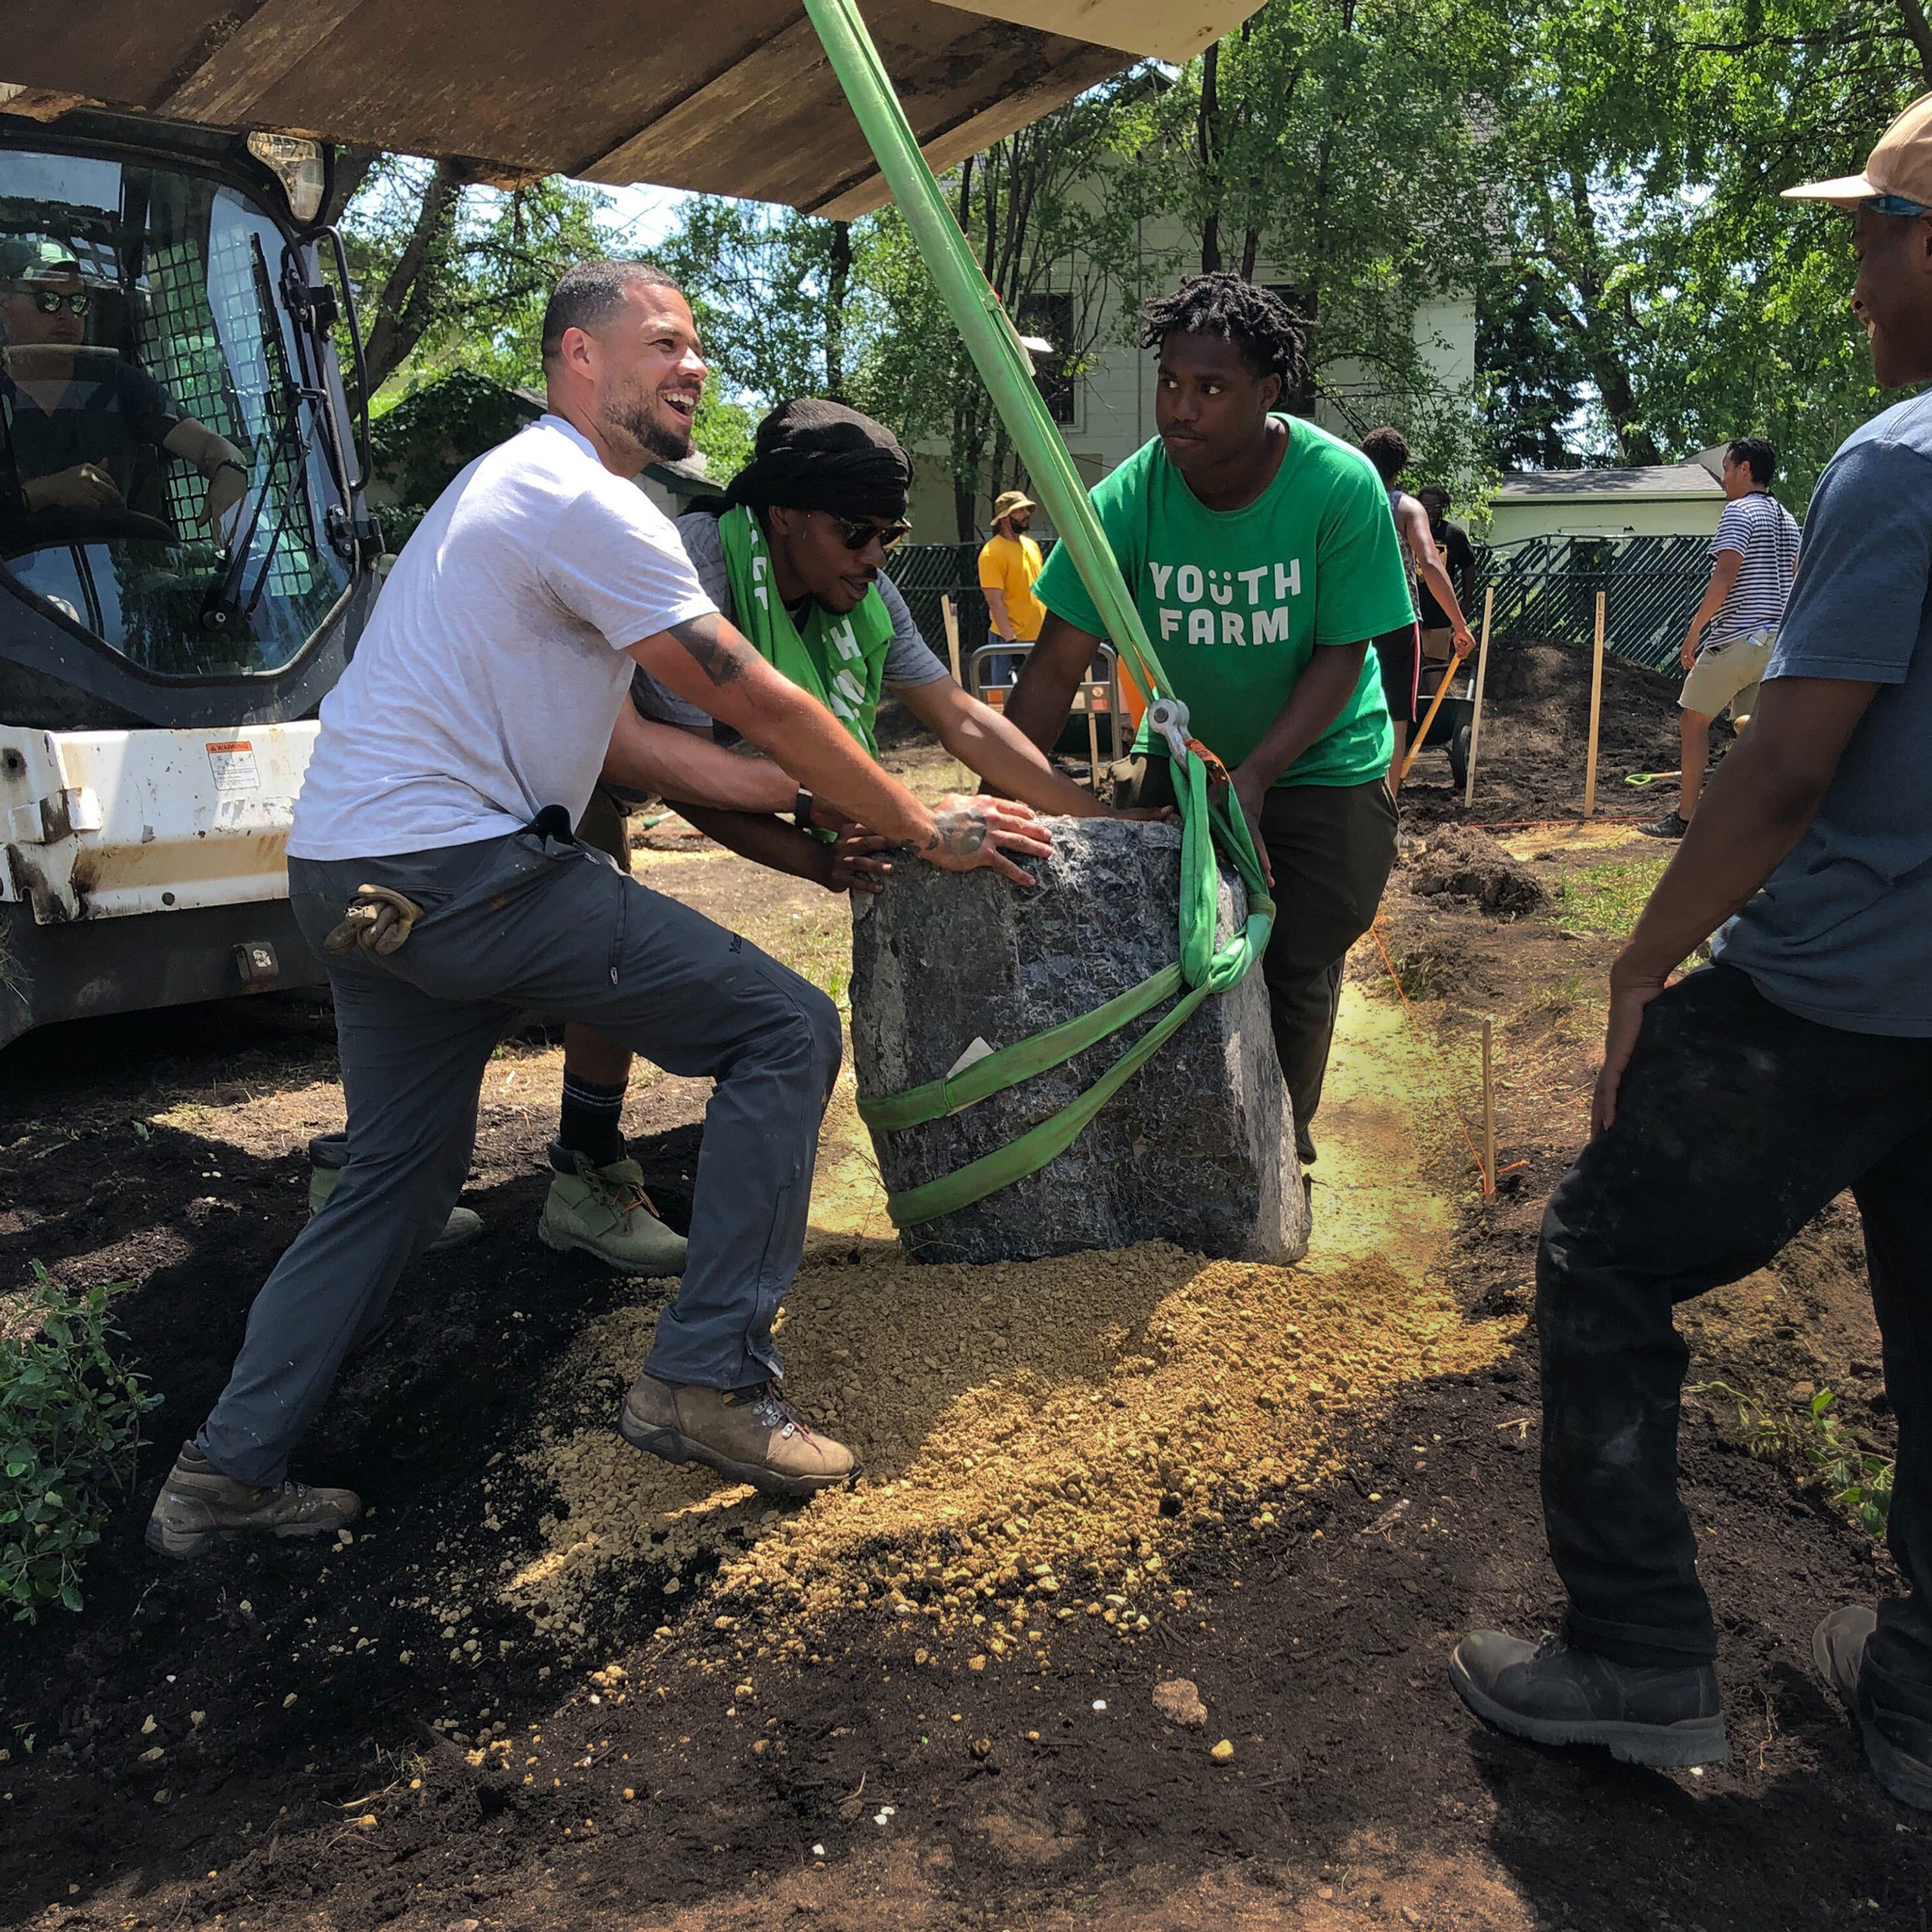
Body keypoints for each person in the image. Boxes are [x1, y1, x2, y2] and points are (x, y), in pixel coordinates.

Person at [145, 260, 1051, 1555]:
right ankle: (708, 1379)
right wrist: (922, 823)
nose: (692, 369)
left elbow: (631, 736)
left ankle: (222, 1472)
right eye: (664, 343)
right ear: (579, 355)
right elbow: (758, 699)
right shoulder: (585, 500)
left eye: (698, 351)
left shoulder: (507, 488)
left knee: (394, 1187)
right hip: (462, 875)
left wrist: (785, 798)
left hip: (351, 882)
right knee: (785, 1030)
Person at [1449, 92, 1932, 1804]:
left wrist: (1643, 958)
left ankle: (1641, 1657)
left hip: (1845, 990)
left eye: (1869, 235)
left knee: (1599, 1256)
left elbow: (1790, 768)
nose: (1858, 276)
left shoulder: (1904, 459)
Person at [515, 398, 1150, 1268]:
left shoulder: (866, 590)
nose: (876, 555)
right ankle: (576, 1175)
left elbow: (960, 717)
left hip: (629, 766)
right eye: (856, 532)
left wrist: (1101, 819)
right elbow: (680, 776)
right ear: (782, 514)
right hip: (540, 769)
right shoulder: (699, 569)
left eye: (890, 533)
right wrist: (821, 847)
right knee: (597, 950)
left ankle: (391, 1170)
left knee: (584, 949)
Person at [1001, 274, 1415, 1169]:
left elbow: (1343, 654)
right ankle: (1175, 1147)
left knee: (1294, 959)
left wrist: (1258, 777)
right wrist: (991, 801)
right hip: (1180, 755)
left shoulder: (1337, 488)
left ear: (1269, 394)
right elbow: (1050, 673)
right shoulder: (1126, 500)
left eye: (1212, 389)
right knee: (1157, 944)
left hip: (1320, 761)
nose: (1181, 409)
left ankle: (1275, 1152)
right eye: (1171, 384)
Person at [0, 238, 248, 537]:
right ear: (4, 302)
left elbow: (209, 444)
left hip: (112, 574)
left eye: (77, 301)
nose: (66, 314)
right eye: (48, 300)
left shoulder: (115, 383)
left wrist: (231, 467)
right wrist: (47, 491)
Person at [1641, 437, 1803, 839]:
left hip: (1737, 639)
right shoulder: (1787, 518)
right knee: (1751, 730)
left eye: (1728, 469)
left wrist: (1694, 631)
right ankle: (1764, 819)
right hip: (1776, 643)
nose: (1724, 478)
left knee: (1692, 721)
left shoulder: (1739, 511)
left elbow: (1725, 575)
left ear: (1745, 469)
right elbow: (1798, 578)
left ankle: (1686, 817)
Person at [1360, 428, 1476, 794]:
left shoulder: (1344, 501)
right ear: (1401, 466)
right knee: (1395, 720)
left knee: (1344, 719)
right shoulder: (1407, 508)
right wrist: (1459, 624)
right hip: (1396, 619)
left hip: (1346, 621)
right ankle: (1387, 819)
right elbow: (1429, 562)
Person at [978, 486, 1045, 692]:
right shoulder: (991, 553)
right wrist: (1011, 643)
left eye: (1026, 510)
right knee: (1009, 702)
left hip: (1039, 638)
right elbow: (994, 601)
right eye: (1020, 510)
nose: (1026, 515)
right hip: (1009, 641)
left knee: (1041, 701)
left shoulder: (1031, 546)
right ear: (1005, 517)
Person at [1415, 484, 1478, 696]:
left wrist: (1466, 600)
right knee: (1412, 666)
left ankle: (1435, 716)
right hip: (1411, 611)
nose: (1430, 511)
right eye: (1425, 506)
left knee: (1434, 667)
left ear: (1443, 506)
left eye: (1435, 506)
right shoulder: (1408, 531)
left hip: (1440, 614)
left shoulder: (1453, 534)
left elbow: (1469, 566)